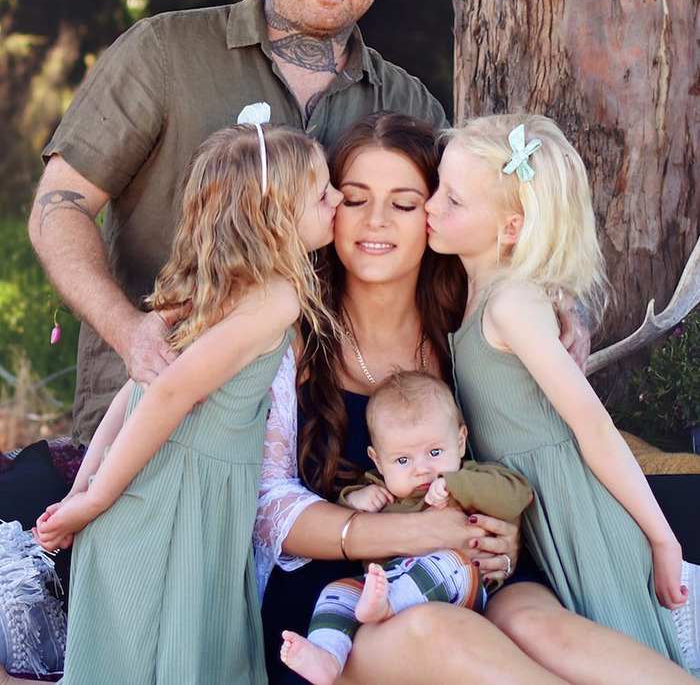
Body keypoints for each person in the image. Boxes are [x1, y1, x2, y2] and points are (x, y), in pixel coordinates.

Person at [26, 0, 448, 451]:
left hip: (333, 451)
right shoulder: (163, 53)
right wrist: (129, 330)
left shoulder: (409, 106)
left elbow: (464, 246)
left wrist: (553, 309)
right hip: (160, 425)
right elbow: (57, 207)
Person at [255, 111, 694, 684]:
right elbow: (266, 508)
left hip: (472, 573)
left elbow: (510, 457)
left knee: (541, 627)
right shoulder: (290, 329)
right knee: (437, 632)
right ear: (328, 207)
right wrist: (415, 533)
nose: (376, 220)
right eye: (356, 199)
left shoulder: (464, 328)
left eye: (408, 202)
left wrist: (504, 534)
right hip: (341, 602)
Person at [31, 120, 342, 684]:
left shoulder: (220, 286)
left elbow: (138, 387)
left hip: (145, 496)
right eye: (323, 194)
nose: (338, 199)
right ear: (276, 219)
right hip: (174, 508)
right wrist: (93, 497)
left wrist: (85, 489)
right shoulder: (275, 296)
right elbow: (167, 391)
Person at [425, 112, 691, 672]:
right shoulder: (477, 295)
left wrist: (664, 540)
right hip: (538, 516)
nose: (429, 207)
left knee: (618, 656)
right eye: (436, 190)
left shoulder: (511, 304)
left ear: (511, 227)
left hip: (577, 513)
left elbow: (592, 427)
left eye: (453, 201)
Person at [280, 370, 533, 684]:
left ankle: (388, 604)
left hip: (464, 588)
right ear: (378, 460)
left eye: (435, 452)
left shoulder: (473, 476)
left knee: (449, 563)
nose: (422, 469)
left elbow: (519, 492)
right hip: (387, 586)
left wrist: (457, 484)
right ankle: (328, 655)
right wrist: (354, 500)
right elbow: (340, 518)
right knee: (337, 592)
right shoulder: (379, 491)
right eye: (402, 460)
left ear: (460, 440)